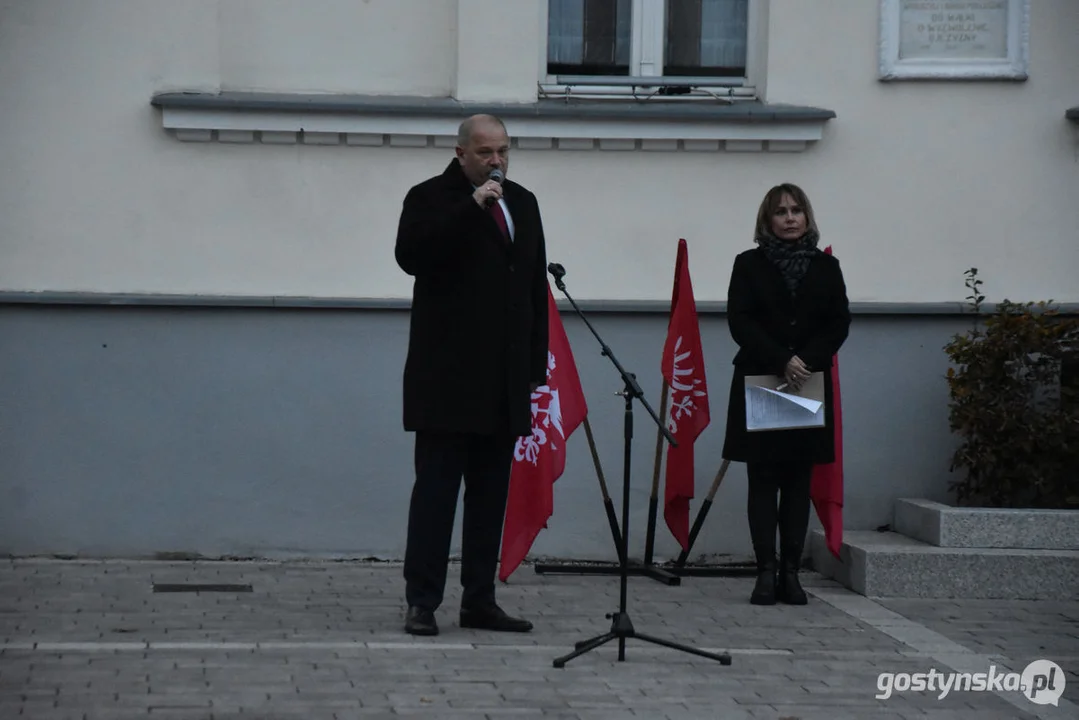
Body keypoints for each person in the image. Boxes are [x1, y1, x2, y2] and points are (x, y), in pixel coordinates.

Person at [394, 114, 549, 636]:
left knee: (489, 498)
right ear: (460, 153)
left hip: (502, 381)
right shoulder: (430, 197)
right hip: (446, 380)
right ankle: (422, 601)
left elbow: (532, 291)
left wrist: (533, 366)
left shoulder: (522, 203)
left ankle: (479, 599)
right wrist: (470, 207)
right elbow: (410, 257)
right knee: (436, 496)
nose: (497, 161)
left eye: (503, 150)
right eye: (486, 152)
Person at [721, 183, 851, 606]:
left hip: (806, 381)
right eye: (782, 212)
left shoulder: (825, 267)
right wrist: (782, 360)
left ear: (808, 218)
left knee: (797, 480)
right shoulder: (749, 264)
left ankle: (791, 575)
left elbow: (838, 323)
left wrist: (806, 360)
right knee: (763, 479)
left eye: (797, 210)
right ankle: (765, 572)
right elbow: (740, 321)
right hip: (764, 378)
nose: (791, 218)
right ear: (767, 220)